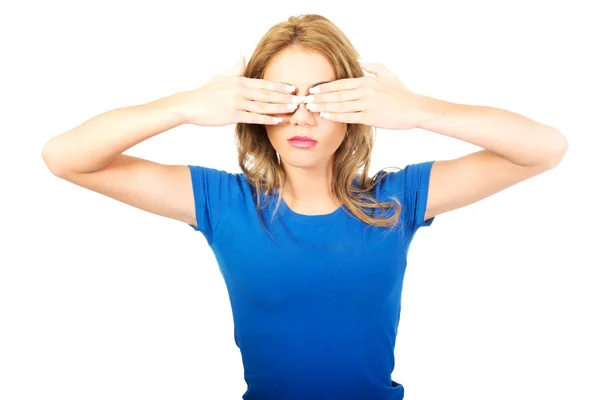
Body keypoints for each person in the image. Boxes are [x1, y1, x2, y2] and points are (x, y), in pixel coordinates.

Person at [41, 13, 568, 400]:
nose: (301, 116)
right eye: (281, 98)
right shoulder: (224, 204)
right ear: (254, 111)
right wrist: (182, 106)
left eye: (322, 97)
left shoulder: (395, 201)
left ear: (354, 109)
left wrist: (419, 110)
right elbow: (64, 158)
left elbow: (545, 149)